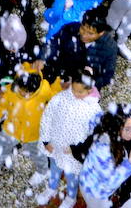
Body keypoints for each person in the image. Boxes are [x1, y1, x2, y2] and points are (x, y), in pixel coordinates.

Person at [0, 68, 59, 191]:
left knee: (38, 154)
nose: (23, 95)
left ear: (35, 89)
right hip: (12, 129)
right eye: (21, 91)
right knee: (0, 151)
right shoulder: (11, 91)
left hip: (34, 132)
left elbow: (56, 94)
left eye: (26, 93)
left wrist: (61, 83)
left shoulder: (44, 91)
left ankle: (42, 171)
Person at [37, 73, 102, 205]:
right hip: (55, 145)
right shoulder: (60, 98)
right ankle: (51, 188)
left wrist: (78, 151)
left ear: (89, 90)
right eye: (73, 89)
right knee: (54, 169)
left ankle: (71, 197)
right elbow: (47, 117)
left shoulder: (94, 110)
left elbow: (93, 136)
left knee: (71, 176)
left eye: (79, 91)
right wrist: (46, 140)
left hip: (73, 152)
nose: (75, 94)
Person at [75, 107, 131, 208]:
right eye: (128, 129)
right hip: (94, 190)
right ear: (116, 127)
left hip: (103, 178)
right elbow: (109, 184)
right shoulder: (101, 150)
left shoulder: (120, 126)